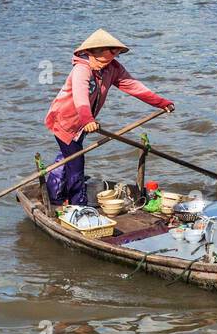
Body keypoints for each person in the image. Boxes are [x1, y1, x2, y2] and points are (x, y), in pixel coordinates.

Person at [43, 29, 174, 206]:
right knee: (75, 163)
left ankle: (55, 192)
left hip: (83, 124)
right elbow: (80, 96)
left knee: (68, 156)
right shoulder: (81, 69)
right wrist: (87, 120)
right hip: (64, 121)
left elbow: (134, 86)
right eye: (105, 56)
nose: (107, 61)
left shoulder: (111, 69)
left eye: (113, 56)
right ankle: (76, 205)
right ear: (92, 52)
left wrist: (161, 102)